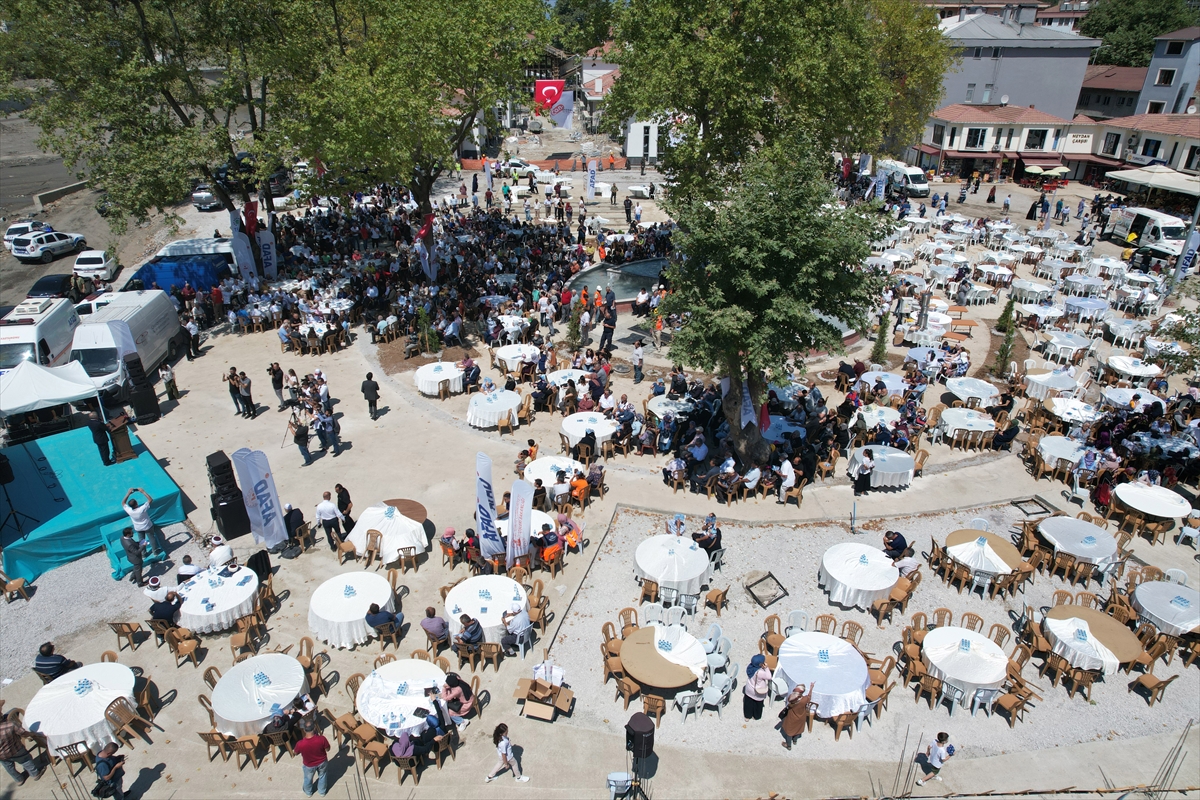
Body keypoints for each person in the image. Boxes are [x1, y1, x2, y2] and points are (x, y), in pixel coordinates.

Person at [0, 705, 43, 785]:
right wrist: (33, 734)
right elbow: (23, 733)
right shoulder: (10, 725)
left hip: (1, 756)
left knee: (9, 767)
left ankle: (19, 780)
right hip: (16, 750)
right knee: (26, 760)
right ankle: (35, 774)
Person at [294, 719, 331, 797]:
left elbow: (295, 753)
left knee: (308, 779)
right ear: (314, 728)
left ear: (304, 730)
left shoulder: (300, 744)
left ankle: (308, 793)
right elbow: (328, 748)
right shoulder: (322, 739)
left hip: (309, 765)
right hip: (322, 762)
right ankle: (322, 792)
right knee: (322, 776)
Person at [123, 487, 163, 556]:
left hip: (138, 528)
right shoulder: (142, 509)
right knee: (151, 538)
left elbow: (123, 503)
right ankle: (155, 551)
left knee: (142, 540)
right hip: (147, 526)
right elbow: (150, 499)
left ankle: (143, 553)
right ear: (136, 503)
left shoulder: (129, 511)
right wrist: (143, 491)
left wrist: (128, 493)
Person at [779, 682, 813, 750]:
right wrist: (811, 688)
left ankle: (788, 745)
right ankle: (795, 740)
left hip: (791, 717)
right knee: (798, 729)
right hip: (801, 717)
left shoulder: (791, 698)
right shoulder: (804, 700)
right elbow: (809, 697)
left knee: (789, 732)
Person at [743, 654, 772, 721]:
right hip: (758, 691)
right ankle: (756, 716)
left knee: (748, 703)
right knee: (758, 704)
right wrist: (766, 668)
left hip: (749, 689)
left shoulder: (750, 667)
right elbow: (769, 677)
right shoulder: (760, 672)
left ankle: (747, 716)